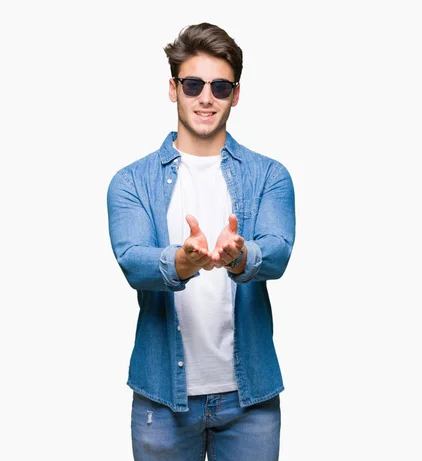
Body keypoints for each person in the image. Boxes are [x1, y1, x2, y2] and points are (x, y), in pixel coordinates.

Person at [107, 22, 295, 461]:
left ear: (236, 94)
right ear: (173, 89)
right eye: (192, 84)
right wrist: (182, 262)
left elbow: (278, 251)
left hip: (250, 404)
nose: (205, 97)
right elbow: (133, 260)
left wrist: (240, 255)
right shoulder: (131, 181)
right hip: (161, 399)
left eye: (220, 87)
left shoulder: (270, 176)